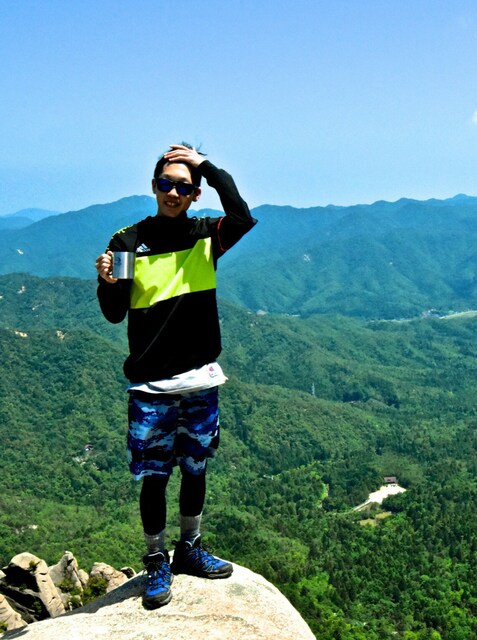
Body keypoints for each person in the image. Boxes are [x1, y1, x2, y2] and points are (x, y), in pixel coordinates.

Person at [95, 143, 257, 609]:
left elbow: (242, 215)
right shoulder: (128, 241)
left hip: (200, 378)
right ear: (153, 186)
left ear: (196, 193)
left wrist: (205, 165)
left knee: (196, 468)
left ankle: (189, 547)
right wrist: (107, 283)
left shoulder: (207, 235)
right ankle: (155, 560)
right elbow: (114, 312)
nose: (173, 193)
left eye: (184, 187)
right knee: (154, 476)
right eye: (166, 183)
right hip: (150, 384)